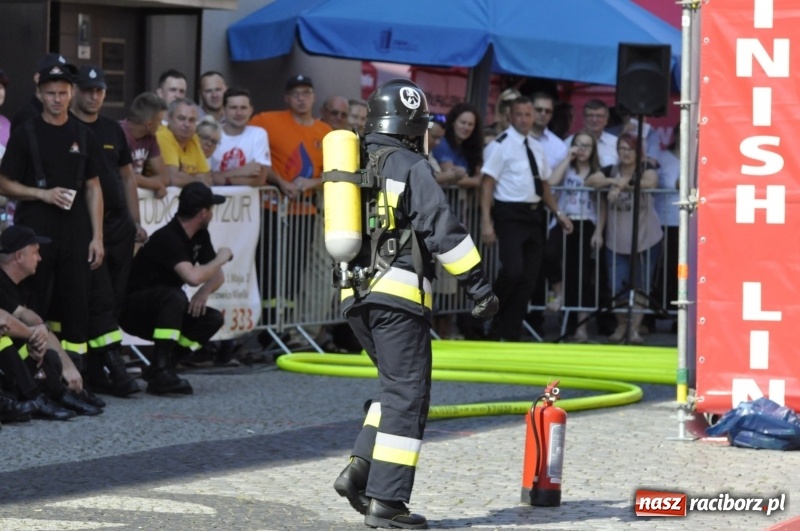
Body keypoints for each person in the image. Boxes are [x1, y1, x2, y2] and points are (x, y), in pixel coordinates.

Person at [332, 79, 499, 529]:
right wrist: (479, 288)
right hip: (399, 297)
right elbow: (441, 228)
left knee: (394, 388)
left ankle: (361, 471)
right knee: (409, 395)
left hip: (356, 296)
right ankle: (387, 504)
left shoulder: (357, 160)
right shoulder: (410, 164)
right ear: (414, 127)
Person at [0, 61, 105, 371]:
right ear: (39, 94)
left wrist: (97, 236)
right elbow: (3, 182)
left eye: (62, 93)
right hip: (36, 228)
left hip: (75, 229)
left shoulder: (83, 134)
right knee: (35, 300)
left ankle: (75, 374)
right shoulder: (26, 132)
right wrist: (41, 193)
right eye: (50, 93)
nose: (57, 99)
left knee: (76, 302)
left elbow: (94, 187)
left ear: (71, 93)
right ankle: (33, 374)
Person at [70, 65, 144, 397]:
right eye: (87, 90)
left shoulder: (113, 130)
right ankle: (99, 364)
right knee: (94, 297)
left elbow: (127, 176)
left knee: (115, 295)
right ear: (75, 92)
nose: (94, 96)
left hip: (119, 226)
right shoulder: (66, 128)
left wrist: (135, 221)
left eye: (98, 90)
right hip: (85, 226)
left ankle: (103, 364)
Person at [119, 182, 231, 395]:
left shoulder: (200, 236)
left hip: (168, 307)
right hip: (134, 310)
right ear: (203, 213)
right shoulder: (168, 237)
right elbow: (192, 277)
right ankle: (161, 371)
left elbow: (217, 277)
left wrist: (203, 294)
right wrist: (222, 257)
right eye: (211, 210)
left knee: (211, 318)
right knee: (175, 296)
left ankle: (164, 366)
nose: (212, 214)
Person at [481, 96, 574, 342]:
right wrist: (486, 221)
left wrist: (558, 213)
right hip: (509, 212)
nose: (524, 119)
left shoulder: (536, 145)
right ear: (510, 117)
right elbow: (487, 183)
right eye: (519, 114)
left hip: (534, 214)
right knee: (512, 270)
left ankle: (509, 331)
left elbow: (543, 184)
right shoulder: (500, 144)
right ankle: (488, 311)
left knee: (529, 278)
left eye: (528, 114)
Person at [249, 74, 331, 325]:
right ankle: (266, 326)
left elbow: (334, 173)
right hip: (271, 208)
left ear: (314, 96)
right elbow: (255, 155)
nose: (301, 98)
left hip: (305, 213)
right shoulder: (265, 121)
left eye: (306, 92)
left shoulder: (325, 131)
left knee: (295, 271)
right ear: (287, 98)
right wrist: (279, 182)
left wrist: (312, 183)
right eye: (296, 93)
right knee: (269, 267)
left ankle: (286, 326)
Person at [0, 224, 103, 418]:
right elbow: (5, 321)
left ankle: (60, 393)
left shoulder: (22, 288)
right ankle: (38, 397)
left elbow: (32, 320)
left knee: (51, 355)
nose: (40, 258)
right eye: (35, 252)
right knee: (15, 341)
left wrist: (68, 367)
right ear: (19, 257)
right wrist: (34, 335)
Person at [585, 133, 662, 344]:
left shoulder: (647, 167)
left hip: (646, 238)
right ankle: (621, 326)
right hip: (615, 238)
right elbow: (590, 180)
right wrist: (614, 181)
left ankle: (634, 329)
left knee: (641, 288)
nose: (626, 153)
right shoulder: (610, 169)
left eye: (630, 149)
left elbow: (650, 183)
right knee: (617, 286)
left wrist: (624, 186)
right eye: (622, 148)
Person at [543, 131, 606, 342]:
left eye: (587, 146)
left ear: (593, 150)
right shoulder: (567, 168)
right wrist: (567, 158)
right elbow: (550, 181)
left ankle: (582, 328)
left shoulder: (597, 172)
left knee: (582, 276)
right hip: (564, 219)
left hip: (586, 222)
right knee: (550, 255)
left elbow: (601, 204)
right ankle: (559, 295)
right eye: (578, 144)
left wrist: (598, 231)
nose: (582, 149)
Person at [209, 87, 270, 187]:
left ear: (251, 110)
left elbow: (259, 180)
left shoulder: (258, 134)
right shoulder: (211, 134)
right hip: (214, 200)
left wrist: (224, 180)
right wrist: (241, 171)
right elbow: (205, 177)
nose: (239, 113)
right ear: (223, 110)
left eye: (243, 108)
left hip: (248, 202)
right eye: (233, 108)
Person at [652, 125, 680, 323]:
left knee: (682, 271)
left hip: (689, 224)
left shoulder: (700, 157)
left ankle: (680, 319)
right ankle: (654, 315)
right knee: (661, 269)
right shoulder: (662, 157)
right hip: (663, 221)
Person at [120, 92, 169, 198]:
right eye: (159, 121)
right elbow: (122, 176)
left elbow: (164, 177)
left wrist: (144, 182)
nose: (161, 125)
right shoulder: (119, 135)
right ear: (149, 124)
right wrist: (156, 185)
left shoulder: (150, 137)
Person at [156, 97, 211, 186]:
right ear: (169, 118)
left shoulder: (193, 138)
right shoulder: (163, 135)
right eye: (181, 118)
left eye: (192, 120)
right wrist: (198, 180)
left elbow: (207, 179)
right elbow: (173, 178)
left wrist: (184, 177)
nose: (187, 124)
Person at [565, 99, 618, 167]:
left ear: (606, 120)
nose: (594, 120)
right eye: (590, 115)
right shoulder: (569, 142)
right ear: (584, 119)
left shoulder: (616, 143)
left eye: (599, 116)